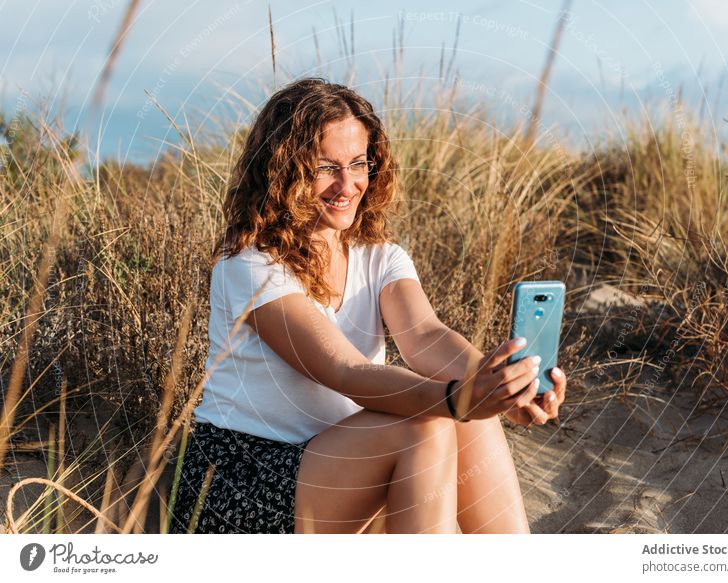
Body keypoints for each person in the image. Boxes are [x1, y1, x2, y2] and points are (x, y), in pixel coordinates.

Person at [169, 77, 567, 535]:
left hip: (342, 463)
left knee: (466, 415)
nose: (347, 184)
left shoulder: (380, 258)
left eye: (358, 164)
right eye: (325, 167)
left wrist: (500, 388)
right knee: (432, 423)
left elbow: (426, 336)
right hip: (243, 479)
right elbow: (344, 370)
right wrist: (463, 397)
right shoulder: (249, 264)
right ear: (284, 172)